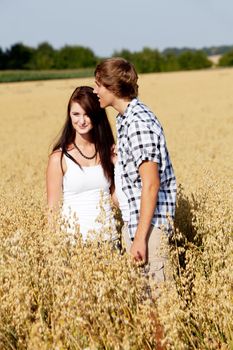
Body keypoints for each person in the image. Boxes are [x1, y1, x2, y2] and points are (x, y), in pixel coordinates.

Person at [94, 58, 177, 282]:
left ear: (112, 86)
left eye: (99, 84)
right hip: (138, 226)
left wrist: (140, 238)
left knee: (157, 308)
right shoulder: (125, 119)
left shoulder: (138, 122)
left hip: (149, 231)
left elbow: (151, 185)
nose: (95, 90)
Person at [46, 86, 117, 242]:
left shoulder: (107, 153)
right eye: (76, 114)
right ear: (69, 115)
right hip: (74, 247)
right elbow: (53, 209)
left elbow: (117, 200)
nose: (81, 121)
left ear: (96, 115)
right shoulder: (59, 158)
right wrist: (53, 250)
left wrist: (118, 165)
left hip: (109, 243)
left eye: (87, 114)